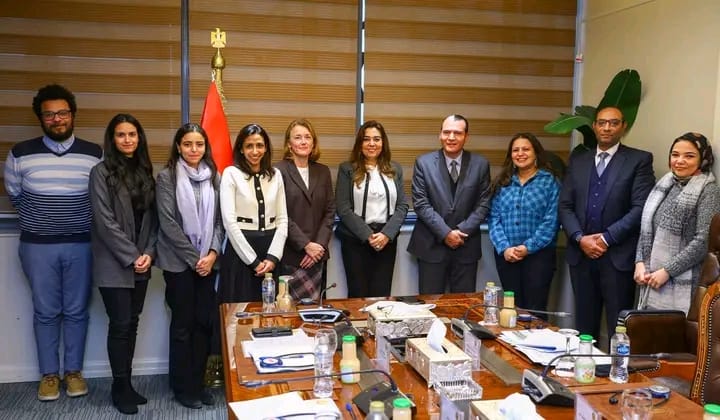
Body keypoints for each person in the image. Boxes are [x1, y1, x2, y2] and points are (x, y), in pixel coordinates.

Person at [3, 84, 102, 401]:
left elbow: (101, 199)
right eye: (49, 115)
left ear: (72, 115)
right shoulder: (20, 153)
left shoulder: (94, 153)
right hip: (37, 246)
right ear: (40, 118)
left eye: (62, 113)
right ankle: (48, 375)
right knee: (45, 311)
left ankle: (73, 372)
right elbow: (15, 195)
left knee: (77, 310)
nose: (57, 119)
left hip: (82, 244)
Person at [559, 106, 655, 341]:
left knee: (618, 329)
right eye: (602, 123)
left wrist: (605, 238)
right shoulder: (578, 160)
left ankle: (615, 366)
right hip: (581, 255)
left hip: (617, 256)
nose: (607, 128)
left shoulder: (638, 160)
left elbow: (640, 208)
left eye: (613, 123)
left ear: (623, 127)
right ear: (594, 126)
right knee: (584, 327)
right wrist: (579, 238)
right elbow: (565, 206)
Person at [89, 113, 157, 415]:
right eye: (121, 135)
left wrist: (149, 253)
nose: (127, 139)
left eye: (132, 134)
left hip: (142, 262)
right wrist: (132, 256)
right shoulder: (100, 172)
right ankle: (119, 387)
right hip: (114, 263)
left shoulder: (145, 171)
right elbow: (104, 221)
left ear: (139, 138)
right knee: (119, 325)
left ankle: (127, 384)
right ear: (112, 139)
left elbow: (153, 220)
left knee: (132, 323)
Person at [155, 123, 223, 408]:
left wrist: (212, 254)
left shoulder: (214, 176)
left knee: (203, 324)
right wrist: (196, 259)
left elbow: (220, 221)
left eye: (199, 144)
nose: (194, 149)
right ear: (178, 147)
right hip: (179, 263)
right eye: (187, 144)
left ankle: (198, 383)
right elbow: (168, 223)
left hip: (208, 263)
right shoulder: (167, 176)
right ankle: (182, 387)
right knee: (183, 325)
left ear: (205, 147)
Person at [635, 133, 720, 314]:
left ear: (703, 159)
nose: (679, 161)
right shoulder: (666, 183)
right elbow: (647, 227)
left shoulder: (709, 190)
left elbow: (703, 241)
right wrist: (640, 262)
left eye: (689, 156)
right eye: (675, 155)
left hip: (685, 282)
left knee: (674, 330)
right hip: (651, 276)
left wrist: (667, 271)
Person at [407, 114, 491, 294]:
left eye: (457, 133)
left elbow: (483, 204)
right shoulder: (423, 163)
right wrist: (445, 233)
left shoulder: (481, 164)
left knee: (463, 304)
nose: (451, 137)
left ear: (466, 136)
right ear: (440, 134)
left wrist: (462, 230)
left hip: (466, 246)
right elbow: (421, 203)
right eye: (446, 132)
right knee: (430, 304)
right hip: (431, 245)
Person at [488, 133, 560, 318]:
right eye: (515, 150)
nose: (520, 154)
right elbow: (494, 218)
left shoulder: (550, 182)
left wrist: (527, 247)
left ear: (536, 153)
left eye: (526, 149)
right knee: (512, 310)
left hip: (539, 257)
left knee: (535, 310)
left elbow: (551, 221)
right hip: (507, 257)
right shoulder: (503, 182)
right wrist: (505, 248)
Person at [335, 120, 409, 297]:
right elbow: (343, 207)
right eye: (366, 139)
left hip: (386, 241)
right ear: (360, 143)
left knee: (382, 295)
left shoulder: (395, 169)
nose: (371, 144)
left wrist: (386, 235)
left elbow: (402, 205)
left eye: (376, 139)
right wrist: (368, 236)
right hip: (355, 240)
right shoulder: (347, 169)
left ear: (383, 143)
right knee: (358, 295)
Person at [218, 123, 288, 303]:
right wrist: (253, 261)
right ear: (241, 149)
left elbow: (282, 220)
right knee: (238, 311)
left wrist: (273, 257)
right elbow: (229, 222)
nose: (255, 151)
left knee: (271, 309)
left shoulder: (276, 175)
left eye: (260, 145)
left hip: (271, 251)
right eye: (249, 146)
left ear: (266, 148)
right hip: (241, 252)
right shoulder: (231, 174)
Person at [275, 119, 335, 300]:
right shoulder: (278, 171)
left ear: (313, 142)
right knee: (289, 310)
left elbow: (330, 212)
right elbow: (280, 213)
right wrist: (306, 245)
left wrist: (318, 246)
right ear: (289, 144)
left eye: (307, 137)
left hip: (318, 256)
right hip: (292, 255)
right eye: (298, 137)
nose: (303, 142)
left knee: (316, 310)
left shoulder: (323, 171)